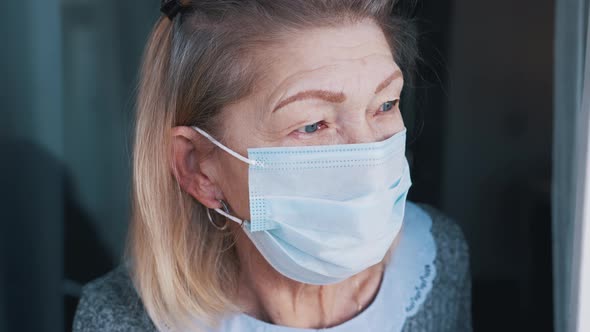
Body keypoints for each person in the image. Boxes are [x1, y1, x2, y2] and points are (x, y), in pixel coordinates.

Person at [73, 0, 472, 331]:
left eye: (385, 104)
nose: (370, 160)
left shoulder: (436, 257)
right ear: (199, 168)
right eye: (313, 124)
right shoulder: (119, 318)